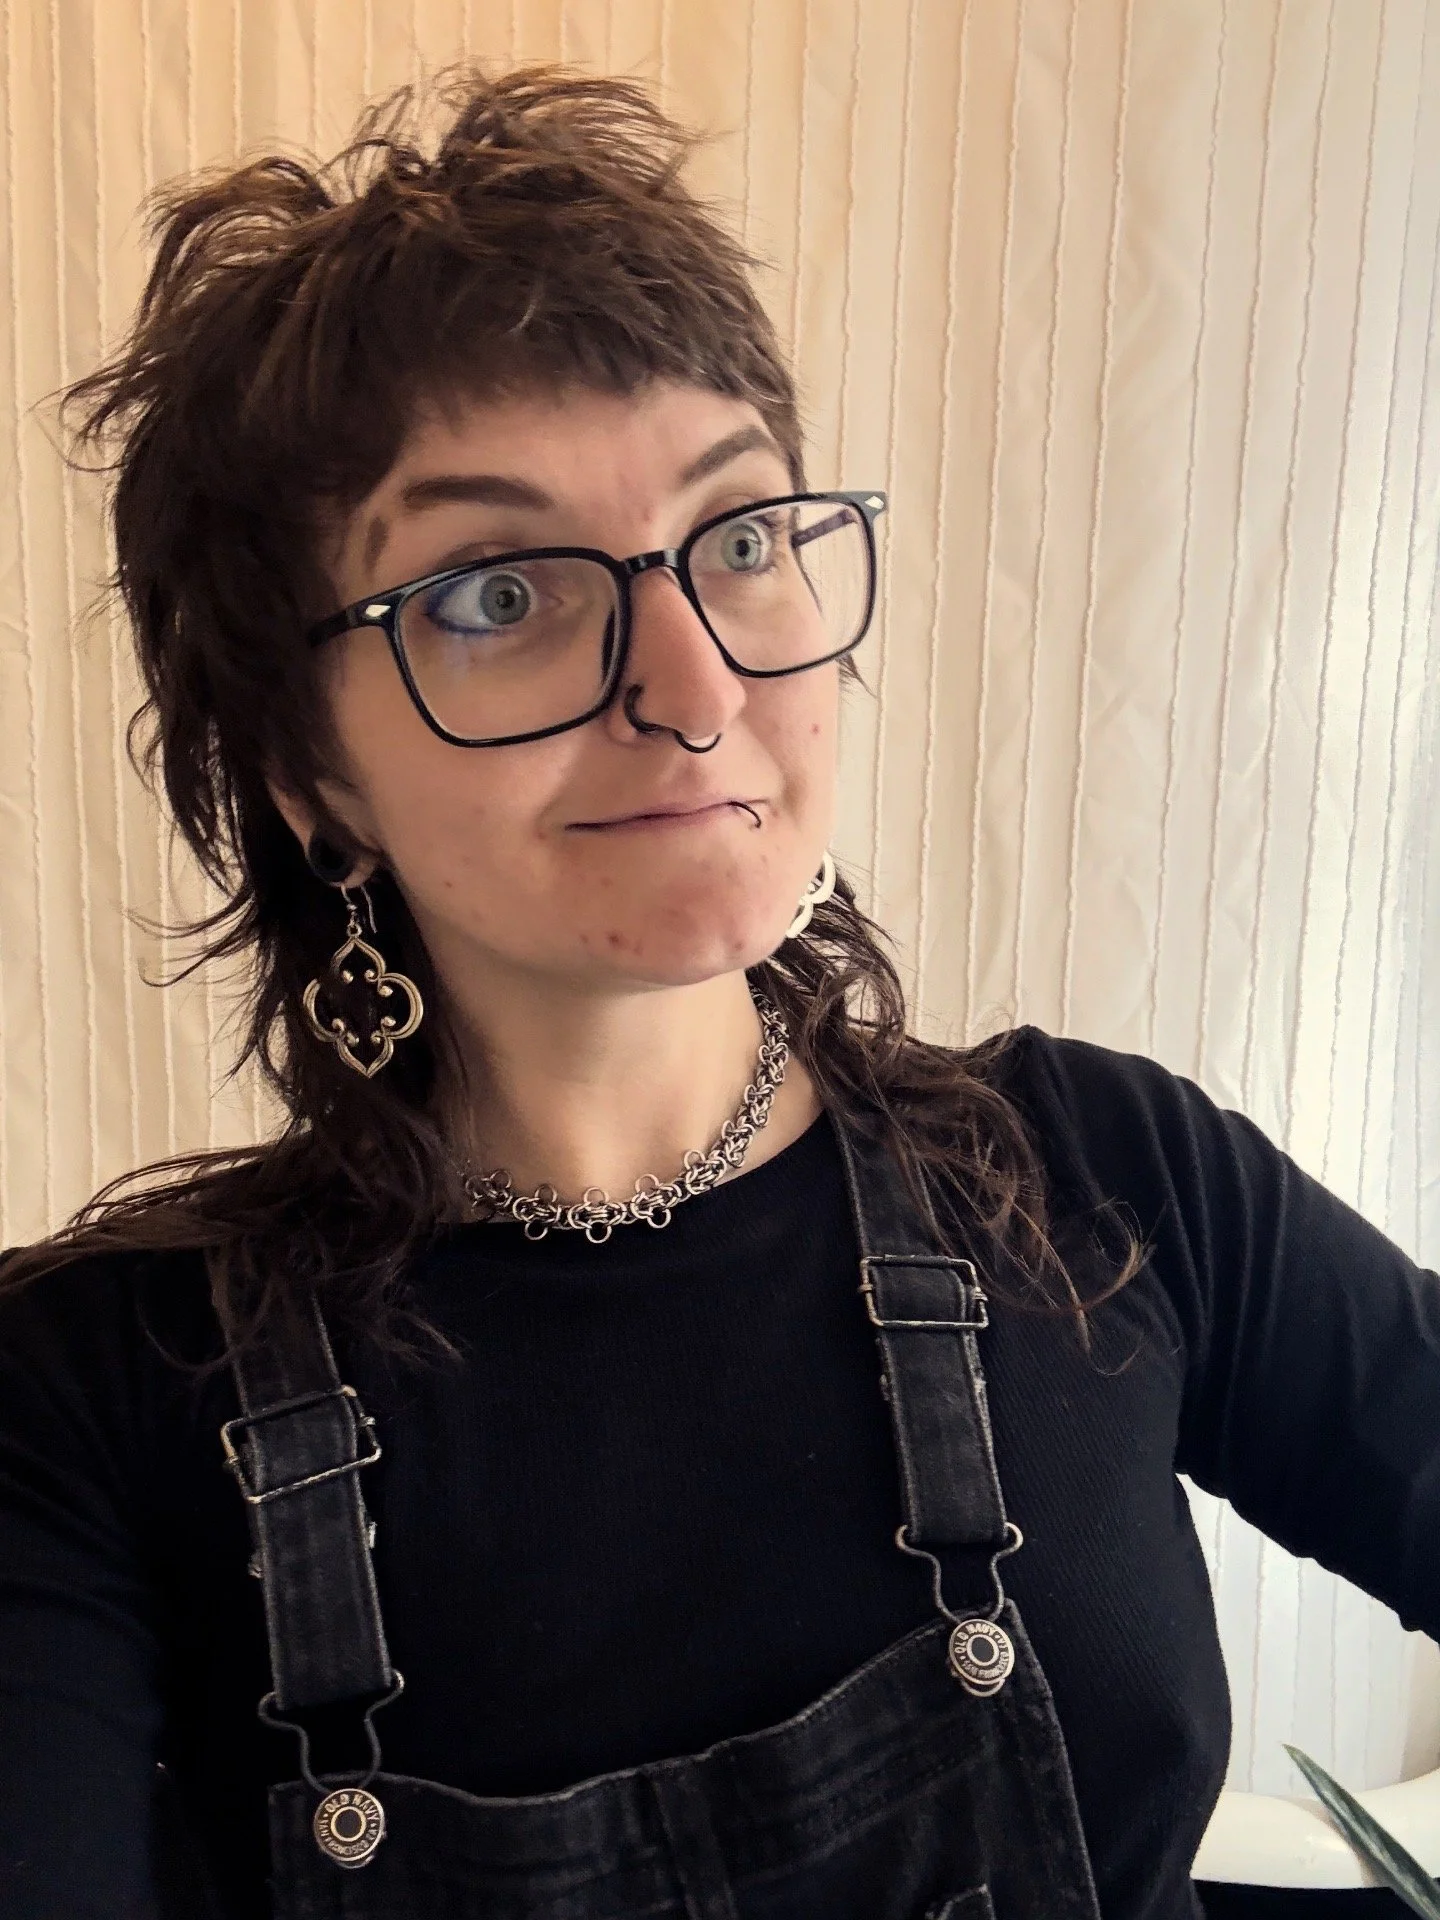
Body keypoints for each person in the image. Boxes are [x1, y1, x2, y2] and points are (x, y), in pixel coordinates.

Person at [0, 60, 1436, 1920]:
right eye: (502, 591)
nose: (694, 684)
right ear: (309, 774)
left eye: (740, 538)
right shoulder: (92, 1408)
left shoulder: (1107, 1178)